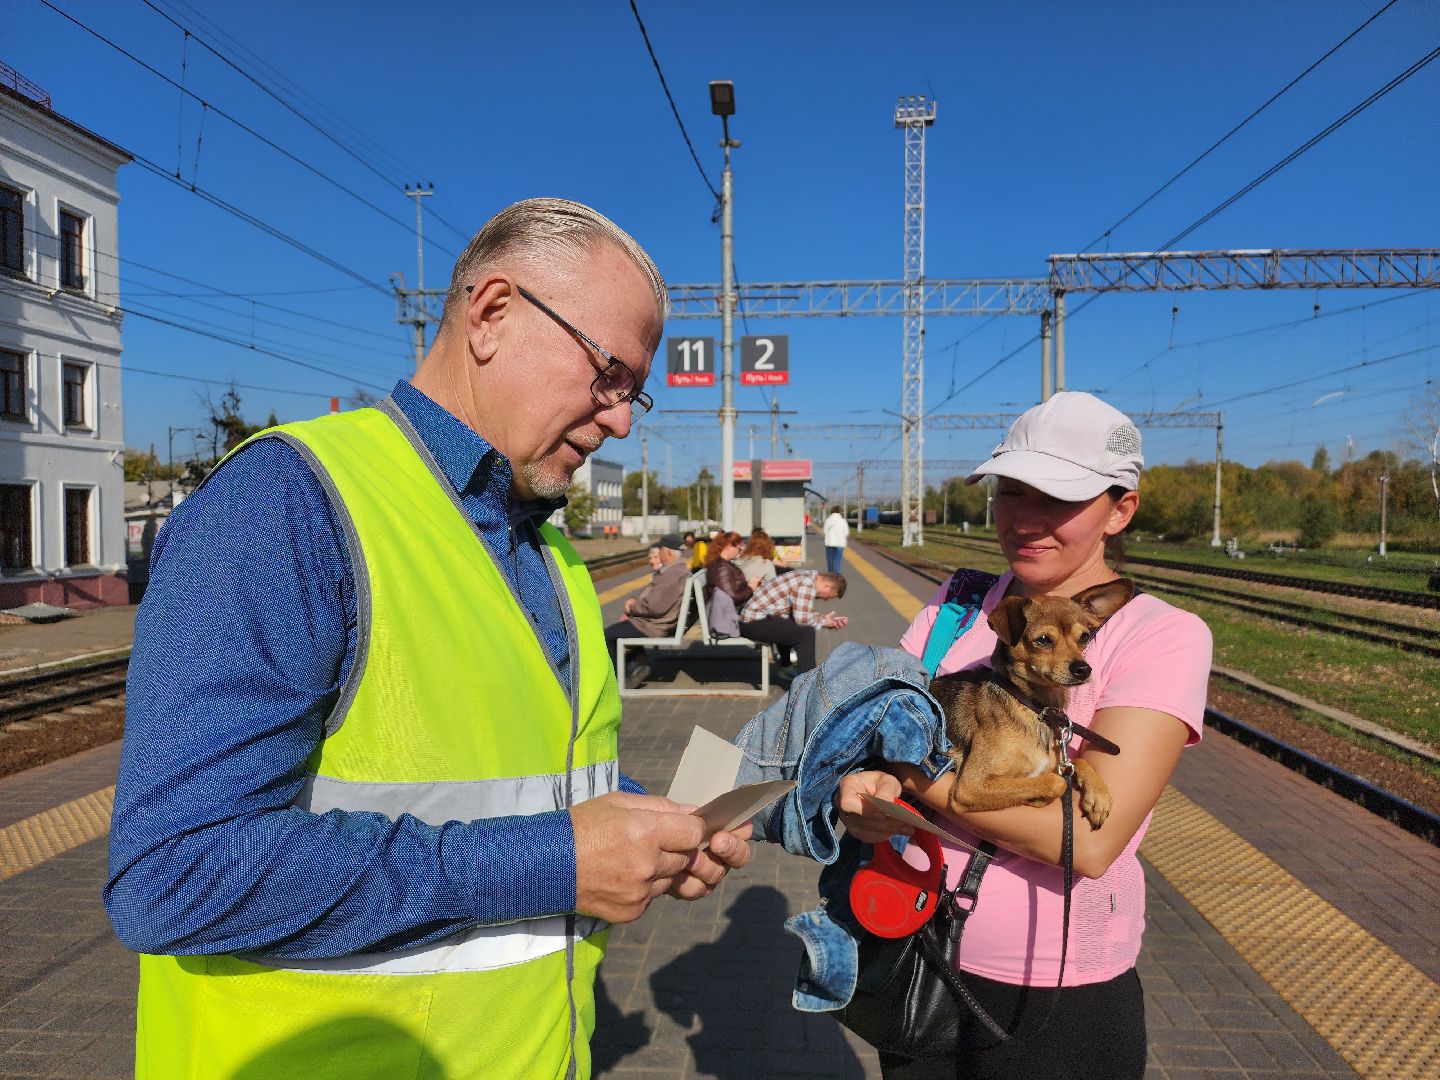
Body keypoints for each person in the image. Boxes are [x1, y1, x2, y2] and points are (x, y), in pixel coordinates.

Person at [105, 198, 752, 1080]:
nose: (622, 419)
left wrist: (645, 830)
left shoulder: (545, 550)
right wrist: (558, 862)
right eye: (608, 374)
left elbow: (513, 775)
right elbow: (175, 873)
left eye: (631, 390)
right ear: (491, 315)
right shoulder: (286, 505)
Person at [835, 391, 1212, 1080]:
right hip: (915, 943)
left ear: (1121, 508)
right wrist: (863, 787)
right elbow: (876, 736)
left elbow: (1089, 840)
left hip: (1056, 991)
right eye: (1011, 492)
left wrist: (915, 773)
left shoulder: (1161, 636)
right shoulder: (956, 606)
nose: (1026, 520)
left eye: (1059, 499)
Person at [603, 532, 690, 674]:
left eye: (660, 550)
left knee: (607, 635)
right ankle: (637, 663)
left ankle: (616, 677)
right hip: (661, 623)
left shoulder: (672, 574)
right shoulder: (679, 570)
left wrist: (631, 608)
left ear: (667, 552)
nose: (659, 553)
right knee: (622, 628)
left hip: (654, 627)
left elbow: (654, 607)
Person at [739, 569, 848, 674]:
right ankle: (807, 684)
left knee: (791, 626)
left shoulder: (807, 576)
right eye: (829, 596)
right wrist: (824, 622)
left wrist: (825, 620)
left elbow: (799, 612)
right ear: (827, 587)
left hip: (756, 618)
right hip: (752, 623)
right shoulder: (807, 585)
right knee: (806, 633)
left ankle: (786, 667)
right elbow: (802, 619)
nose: (825, 600)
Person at [701, 530, 752, 638]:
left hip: (732, 614)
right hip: (732, 618)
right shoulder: (721, 568)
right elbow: (732, 597)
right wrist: (751, 587)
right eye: (739, 548)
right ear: (729, 546)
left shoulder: (722, 565)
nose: (740, 552)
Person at [822, 506, 850, 574]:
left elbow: (825, 531)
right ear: (839, 512)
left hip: (829, 543)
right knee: (837, 561)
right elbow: (846, 533)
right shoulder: (843, 521)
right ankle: (836, 577)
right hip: (840, 544)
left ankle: (830, 575)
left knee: (830, 561)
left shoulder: (828, 520)